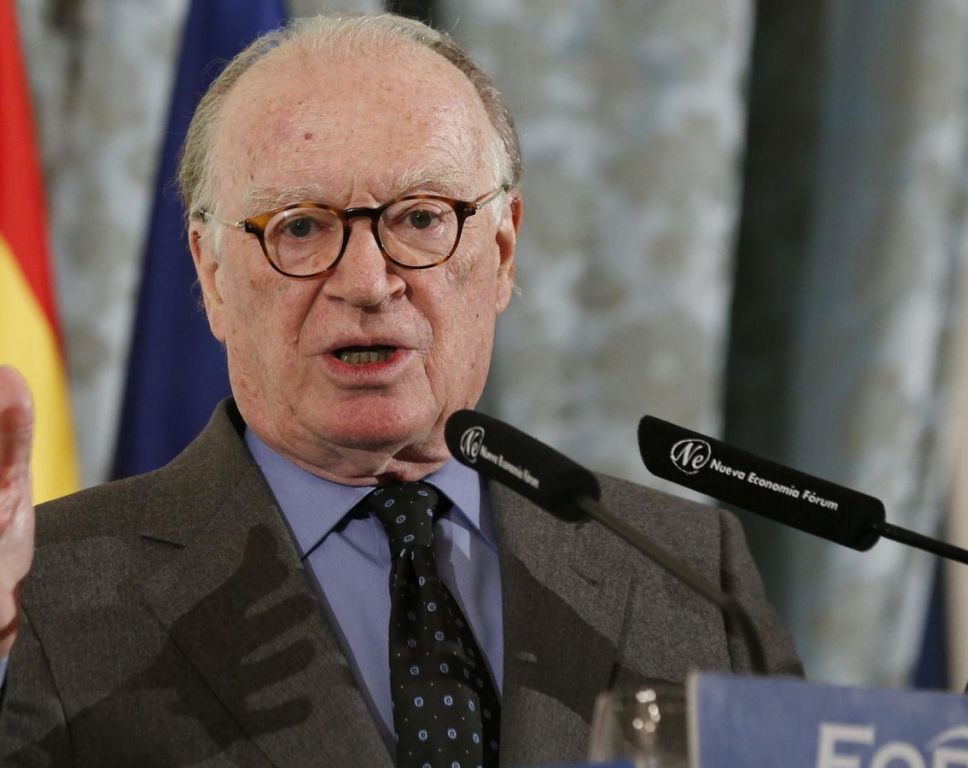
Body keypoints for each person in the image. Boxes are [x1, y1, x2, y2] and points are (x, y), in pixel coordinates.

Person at [0, 13, 801, 766]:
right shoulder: (41, 593)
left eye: (421, 219)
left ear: (503, 251)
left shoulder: (688, 575)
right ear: (212, 274)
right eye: (301, 227)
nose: (367, 280)